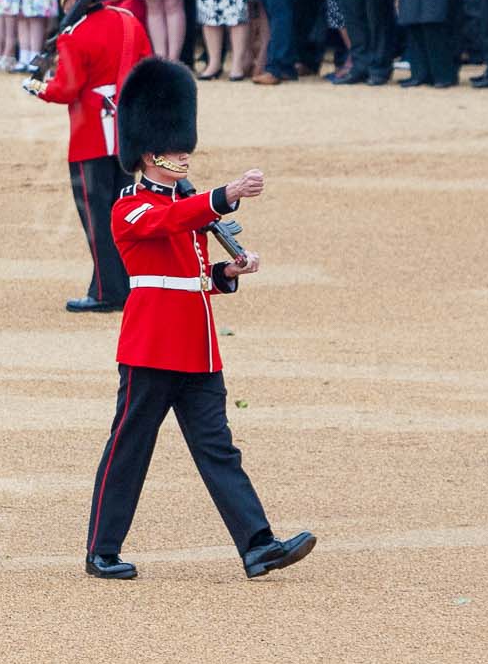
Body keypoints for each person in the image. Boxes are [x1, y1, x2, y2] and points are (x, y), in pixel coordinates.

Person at [83, 57, 316, 581]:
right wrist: (224, 196)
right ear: (149, 154)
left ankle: (257, 545)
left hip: (198, 347)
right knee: (130, 447)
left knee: (218, 448)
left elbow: (188, 276)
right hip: (152, 346)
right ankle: (102, 549)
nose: (184, 156)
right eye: (175, 149)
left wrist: (226, 271)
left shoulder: (186, 206)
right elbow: (167, 224)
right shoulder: (131, 206)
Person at [28, 0, 151, 313]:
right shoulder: (128, 21)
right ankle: (128, 283)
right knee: (123, 212)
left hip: (90, 138)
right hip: (126, 133)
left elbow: (65, 89)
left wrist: (37, 87)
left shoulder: (74, 35)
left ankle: (106, 290)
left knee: (97, 219)